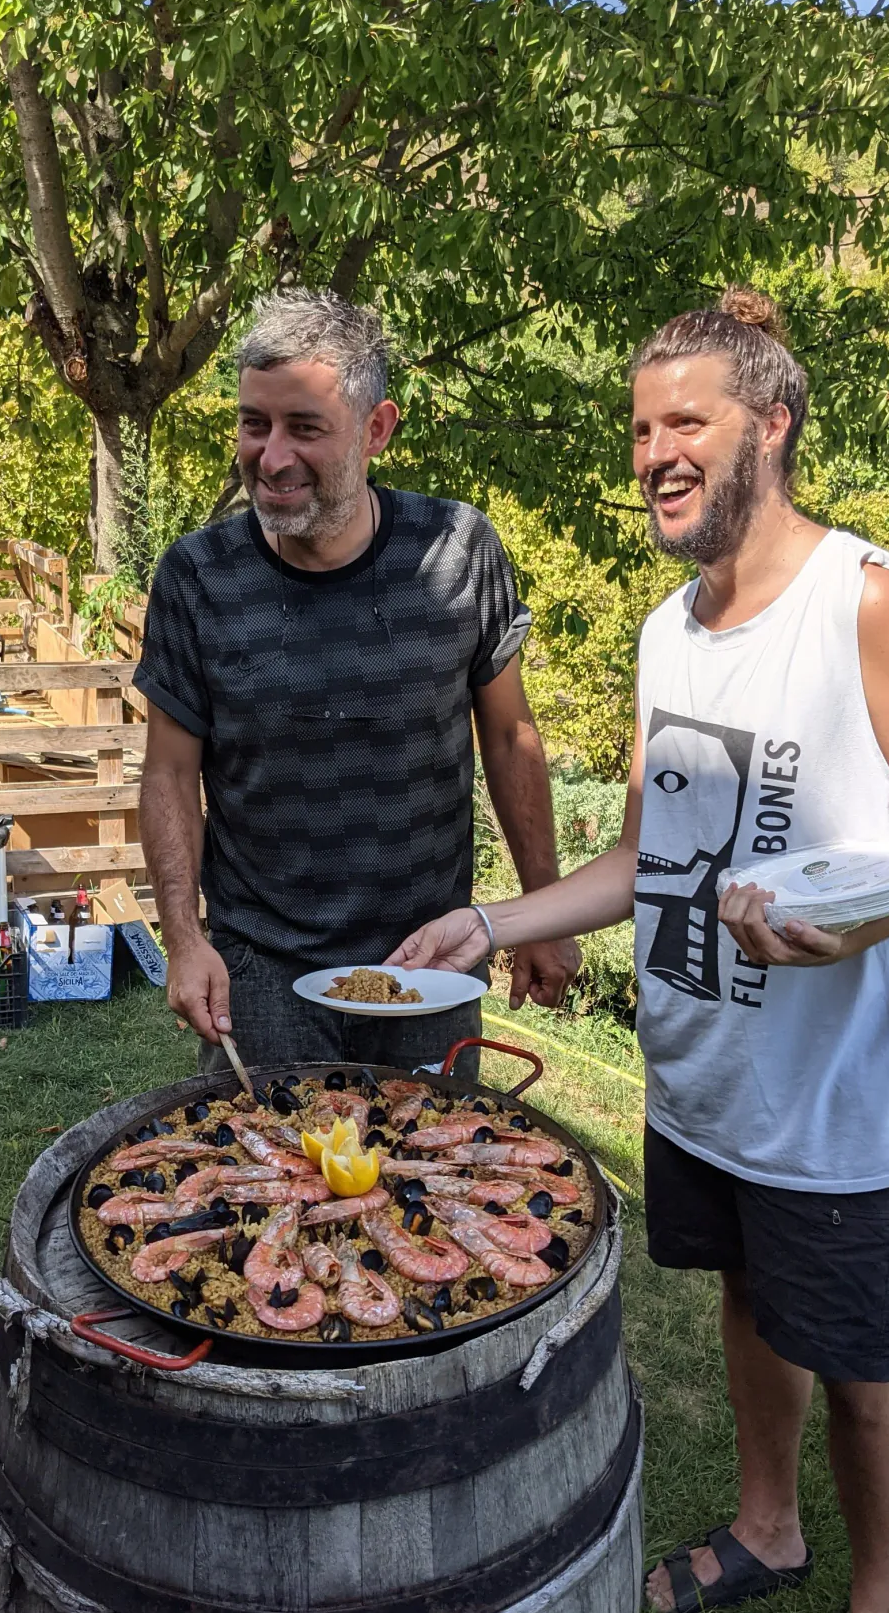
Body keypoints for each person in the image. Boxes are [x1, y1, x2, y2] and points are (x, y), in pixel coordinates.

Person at [388, 288, 889, 1613]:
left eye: (686, 423)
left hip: (839, 1093)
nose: (655, 451)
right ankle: (769, 1530)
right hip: (707, 1075)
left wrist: (848, 914)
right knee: (741, 1308)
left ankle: (882, 1608)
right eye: (642, 427)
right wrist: (498, 919)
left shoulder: (868, 602)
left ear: (769, 426)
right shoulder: (670, 634)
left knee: (861, 1363)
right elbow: (653, 856)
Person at [134, 287, 581, 1073]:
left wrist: (541, 911)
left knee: (431, 1186)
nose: (270, 458)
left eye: (305, 428)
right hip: (260, 974)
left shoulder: (457, 551)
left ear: (377, 429)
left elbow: (511, 737)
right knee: (263, 1186)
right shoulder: (196, 577)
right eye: (253, 424)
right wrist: (184, 937)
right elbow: (170, 772)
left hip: (428, 966)